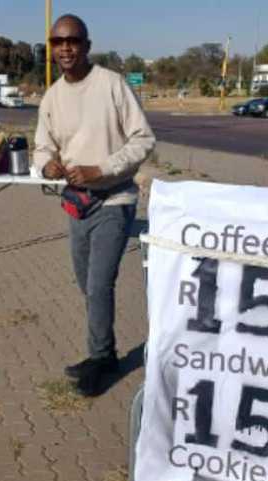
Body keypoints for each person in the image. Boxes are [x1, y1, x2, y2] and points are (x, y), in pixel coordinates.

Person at [33, 14, 155, 396]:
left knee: (100, 284)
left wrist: (101, 168)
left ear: (87, 45)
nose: (65, 47)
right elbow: (42, 146)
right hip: (77, 205)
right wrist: (46, 164)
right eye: (58, 42)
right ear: (52, 49)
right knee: (87, 285)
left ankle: (101, 360)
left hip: (114, 200)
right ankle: (105, 352)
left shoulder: (111, 85)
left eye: (73, 40)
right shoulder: (52, 97)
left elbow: (143, 140)